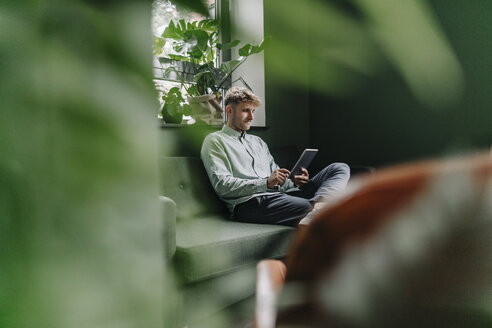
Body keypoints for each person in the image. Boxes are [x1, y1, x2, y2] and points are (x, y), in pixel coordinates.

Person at [200, 86, 350, 227]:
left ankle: (320, 206)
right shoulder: (215, 141)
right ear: (229, 111)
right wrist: (265, 183)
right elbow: (222, 186)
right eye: (246, 111)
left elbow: (278, 181)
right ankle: (318, 211)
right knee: (320, 209)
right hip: (250, 203)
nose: (251, 117)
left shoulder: (258, 142)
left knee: (339, 168)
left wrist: (295, 182)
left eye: (253, 111)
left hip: (279, 195)